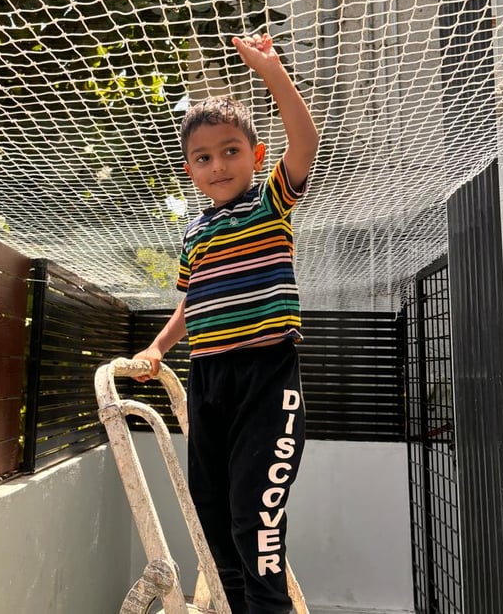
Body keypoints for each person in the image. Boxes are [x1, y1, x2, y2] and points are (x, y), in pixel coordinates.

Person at [132, 33, 319, 614]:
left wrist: (274, 76)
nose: (218, 165)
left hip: (267, 379)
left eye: (231, 150)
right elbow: (191, 305)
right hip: (207, 379)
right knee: (212, 519)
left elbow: (306, 142)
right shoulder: (193, 235)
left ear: (256, 156)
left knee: (252, 517)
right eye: (204, 157)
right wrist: (158, 350)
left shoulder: (270, 203)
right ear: (189, 169)